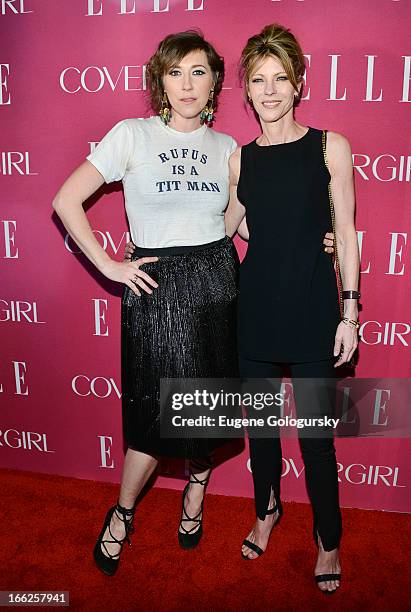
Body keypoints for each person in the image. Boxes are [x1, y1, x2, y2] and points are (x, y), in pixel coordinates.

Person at [53, 28, 334, 577]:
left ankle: (196, 493)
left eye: (199, 72)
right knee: (152, 417)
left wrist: (312, 237)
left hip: (219, 279)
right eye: (176, 71)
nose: (187, 84)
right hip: (157, 286)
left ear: (216, 85)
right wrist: (110, 265)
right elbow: (65, 199)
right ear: (159, 79)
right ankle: (123, 511)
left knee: (208, 405)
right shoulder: (131, 134)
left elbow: (245, 224)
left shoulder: (229, 149)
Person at [225, 23, 360, 594]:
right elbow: (221, 230)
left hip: (312, 312)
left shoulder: (331, 146)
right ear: (247, 91)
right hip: (254, 311)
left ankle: (328, 539)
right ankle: (267, 510)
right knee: (260, 431)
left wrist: (350, 311)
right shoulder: (240, 159)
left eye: (281, 78)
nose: (271, 90)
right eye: (259, 80)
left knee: (316, 440)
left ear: (299, 82)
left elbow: (347, 232)